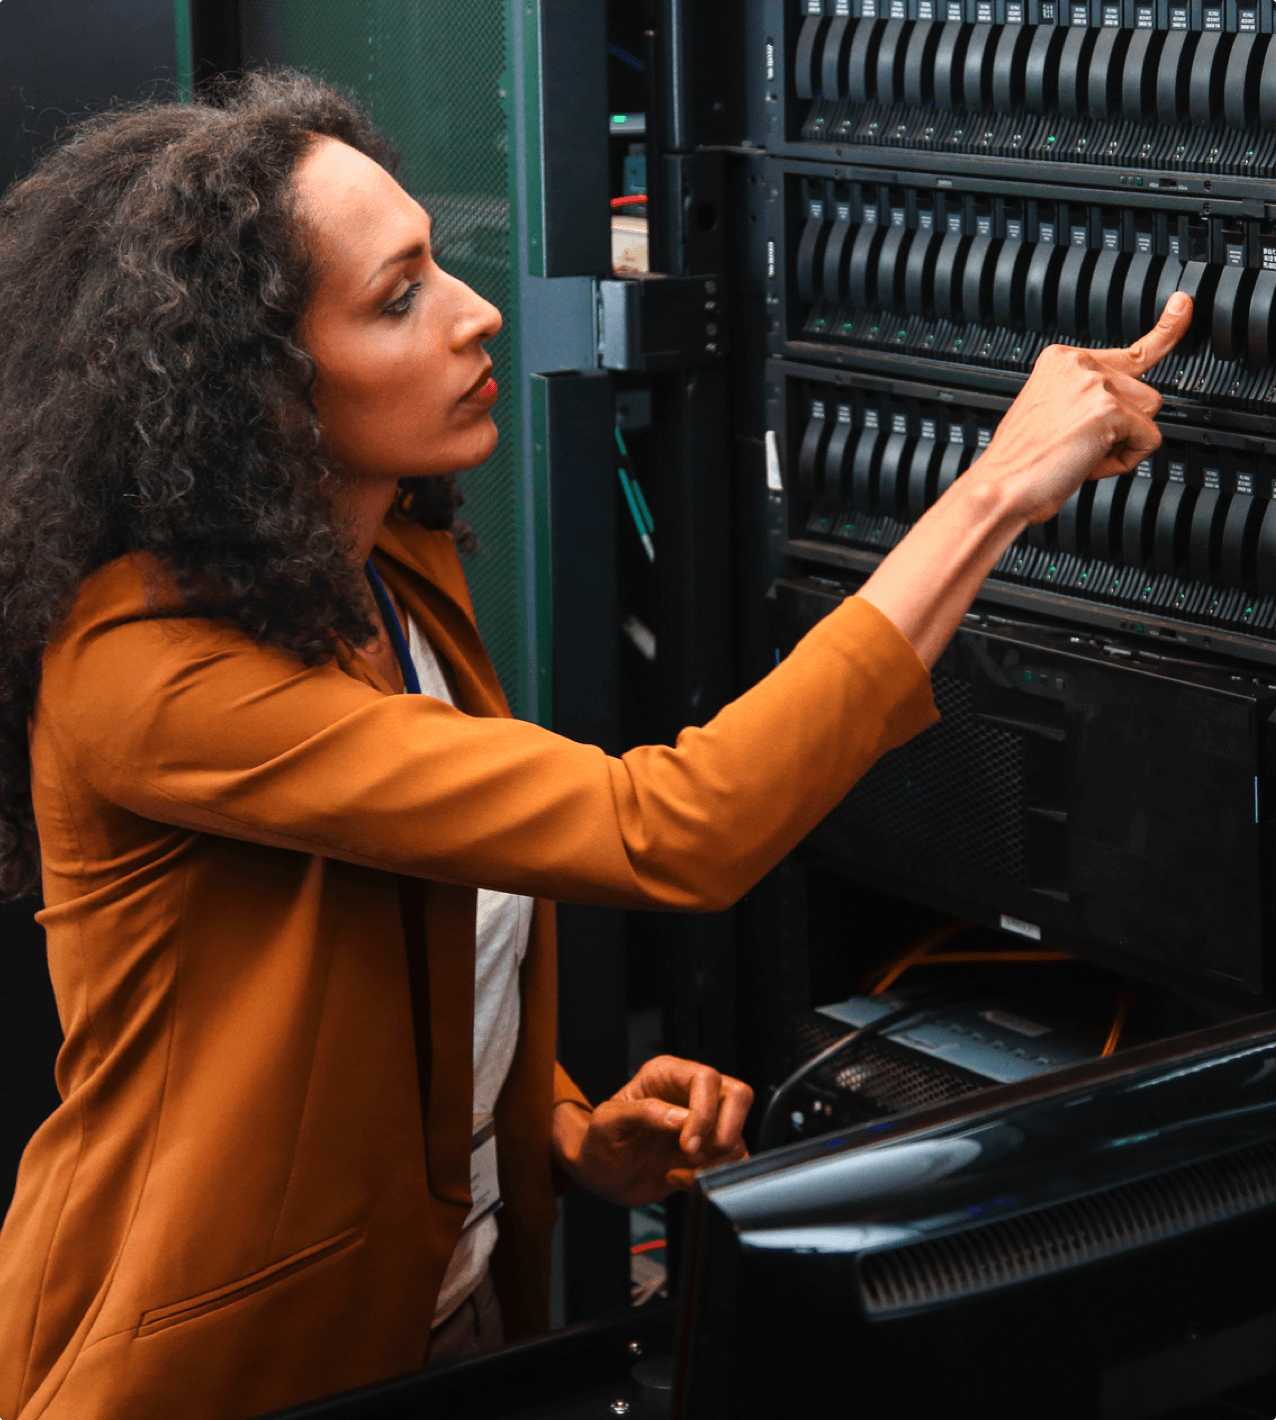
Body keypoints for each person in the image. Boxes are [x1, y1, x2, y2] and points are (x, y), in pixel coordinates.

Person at [0, 71, 1190, 1420]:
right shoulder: (147, 673)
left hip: (437, 1324)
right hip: (210, 1371)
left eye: (437, 264)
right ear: (254, 389)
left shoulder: (382, 561)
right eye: (399, 298)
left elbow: (393, 926)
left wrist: (561, 1123)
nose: (475, 312)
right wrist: (993, 491)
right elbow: (671, 826)